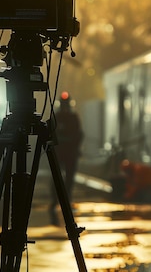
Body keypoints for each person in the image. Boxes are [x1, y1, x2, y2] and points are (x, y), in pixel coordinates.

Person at [49, 91, 84, 224]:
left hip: (67, 153)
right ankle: (57, 199)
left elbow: (78, 134)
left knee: (66, 178)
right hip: (64, 153)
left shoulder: (65, 117)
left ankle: (62, 199)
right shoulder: (62, 117)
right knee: (59, 177)